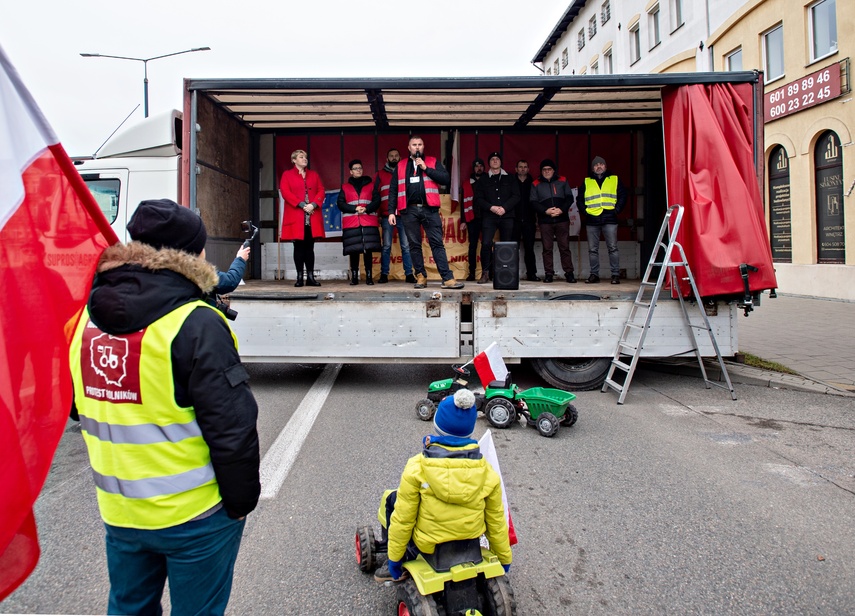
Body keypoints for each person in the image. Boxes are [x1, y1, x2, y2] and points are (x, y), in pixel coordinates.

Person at [68, 199, 260, 616]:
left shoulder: (85, 320)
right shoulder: (195, 322)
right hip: (195, 515)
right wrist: (241, 503)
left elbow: (73, 407)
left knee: (128, 608)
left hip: (120, 512)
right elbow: (233, 429)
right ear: (191, 255)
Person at [373, 389, 513, 583]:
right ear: (470, 430)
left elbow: (403, 519)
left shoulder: (418, 466)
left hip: (428, 545)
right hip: (469, 543)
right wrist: (504, 557)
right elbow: (496, 520)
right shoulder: (487, 471)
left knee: (393, 501)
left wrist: (394, 558)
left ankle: (404, 555)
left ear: (437, 427)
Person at [388, 135, 464, 290]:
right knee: (414, 245)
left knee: (437, 243)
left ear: (423, 147)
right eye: (414, 145)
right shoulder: (401, 165)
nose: (417, 147)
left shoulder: (432, 161)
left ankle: (447, 278)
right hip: (409, 210)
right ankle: (421, 276)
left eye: (420, 144)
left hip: (429, 209)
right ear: (409, 148)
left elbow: (445, 179)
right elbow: (393, 190)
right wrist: (391, 212)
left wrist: (425, 168)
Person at [280, 149, 325, 287]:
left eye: (305, 157)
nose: (305, 159)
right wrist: (300, 204)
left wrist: (314, 204)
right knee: (298, 247)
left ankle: (310, 277)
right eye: (301, 157)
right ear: (294, 160)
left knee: (310, 247)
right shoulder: (287, 175)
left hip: (311, 216)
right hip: (296, 216)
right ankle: (299, 277)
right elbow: (285, 191)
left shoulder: (314, 175)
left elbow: (321, 190)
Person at [579, 155, 627, 284]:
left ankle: (615, 275)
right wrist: (586, 212)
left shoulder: (614, 179)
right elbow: (579, 199)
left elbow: (623, 195)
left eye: (601, 164)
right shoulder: (586, 181)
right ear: (592, 168)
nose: (598, 166)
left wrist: (616, 210)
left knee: (612, 247)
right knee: (592, 249)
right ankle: (594, 275)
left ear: (605, 166)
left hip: (610, 218)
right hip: (592, 219)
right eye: (596, 165)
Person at [474, 152, 519, 284]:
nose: (495, 161)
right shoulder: (483, 179)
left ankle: (504, 273)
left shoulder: (510, 178)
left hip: (507, 215)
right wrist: (491, 207)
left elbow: (516, 196)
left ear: (501, 162)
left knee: (506, 245)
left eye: (497, 159)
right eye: (492, 159)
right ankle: (485, 273)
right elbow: (478, 199)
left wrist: (504, 208)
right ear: (489, 163)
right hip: (489, 216)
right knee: (486, 243)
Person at [530, 159, 576, 283]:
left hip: (562, 219)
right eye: (544, 170)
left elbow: (569, 197)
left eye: (549, 169)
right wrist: (546, 211)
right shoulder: (535, 183)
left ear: (554, 170)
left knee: (564, 247)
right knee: (547, 248)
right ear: (541, 171)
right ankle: (548, 274)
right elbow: (533, 202)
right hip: (545, 221)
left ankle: (569, 273)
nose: (547, 171)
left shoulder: (563, 180)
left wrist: (561, 210)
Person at [374, 148, 416, 284]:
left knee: (406, 246)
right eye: (391, 156)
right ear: (387, 159)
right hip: (387, 215)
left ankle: (409, 274)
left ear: (400, 158)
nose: (393, 158)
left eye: (396, 156)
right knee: (386, 246)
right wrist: (378, 214)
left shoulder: (405, 172)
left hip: (404, 214)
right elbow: (376, 196)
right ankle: (384, 274)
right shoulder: (379, 175)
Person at [337, 159, 382, 285]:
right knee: (354, 250)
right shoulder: (345, 187)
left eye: (360, 168)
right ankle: (354, 277)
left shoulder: (371, 185)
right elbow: (340, 204)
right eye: (356, 168)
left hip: (368, 221)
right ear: (351, 171)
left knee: (368, 250)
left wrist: (367, 209)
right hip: (352, 223)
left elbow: (377, 201)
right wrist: (354, 209)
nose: (358, 170)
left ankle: (369, 277)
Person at [513, 160, 540, 281]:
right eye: (520, 167)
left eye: (525, 167)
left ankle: (531, 274)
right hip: (514, 220)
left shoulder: (534, 183)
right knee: (513, 248)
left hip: (529, 220)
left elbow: (537, 203)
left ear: (528, 169)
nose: (523, 169)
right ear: (516, 169)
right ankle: (512, 274)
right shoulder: (511, 182)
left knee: (529, 248)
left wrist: (537, 220)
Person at [463, 158, 485, 281]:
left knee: (486, 246)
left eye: (481, 166)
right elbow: (463, 203)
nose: (479, 168)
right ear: (473, 168)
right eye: (477, 166)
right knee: (473, 246)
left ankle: (488, 272)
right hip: (472, 219)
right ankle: (472, 273)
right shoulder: (467, 183)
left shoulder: (488, 181)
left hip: (486, 218)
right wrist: (463, 220)